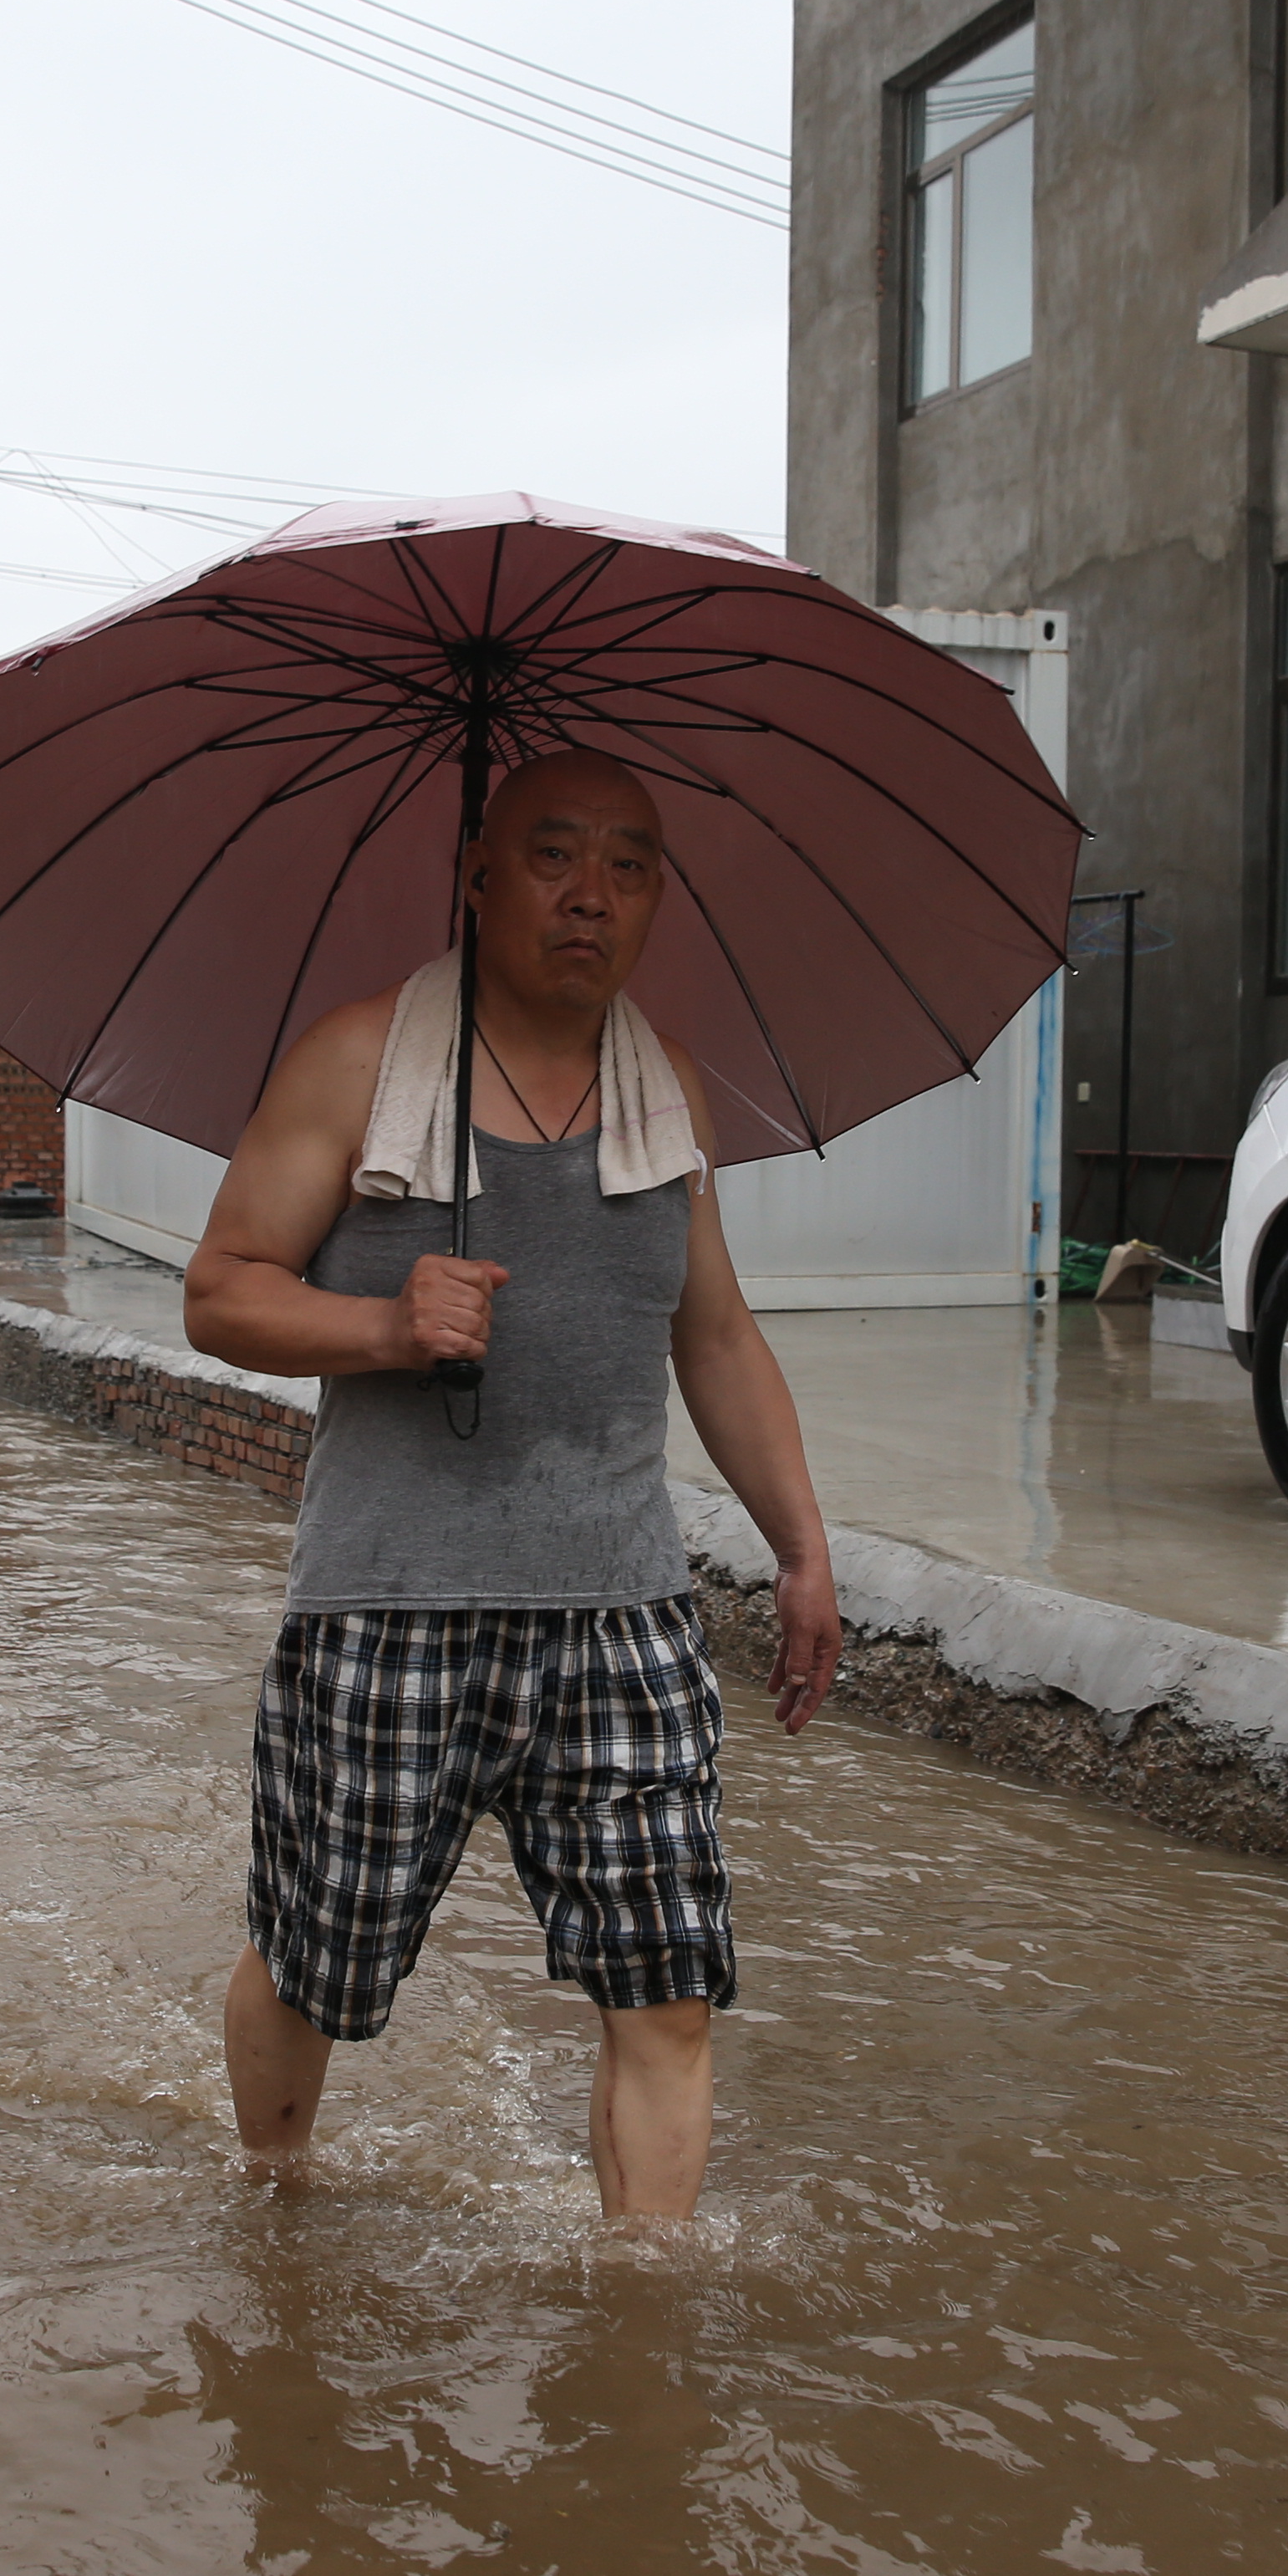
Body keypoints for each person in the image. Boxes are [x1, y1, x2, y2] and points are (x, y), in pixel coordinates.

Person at [182, 747, 848, 2221]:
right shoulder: (359, 1062)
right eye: (552, 857)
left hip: (623, 1615)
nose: (589, 895)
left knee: (668, 1992)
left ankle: (645, 2320)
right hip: (386, 1611)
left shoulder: (664, 1088)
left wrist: (803, 1548)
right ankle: (273, 2196)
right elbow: (219, 1293)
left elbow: (715, 1331)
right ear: (478, 879)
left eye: (628, 865)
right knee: (317, 1963)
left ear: (657, 899)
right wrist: (381, 1323)